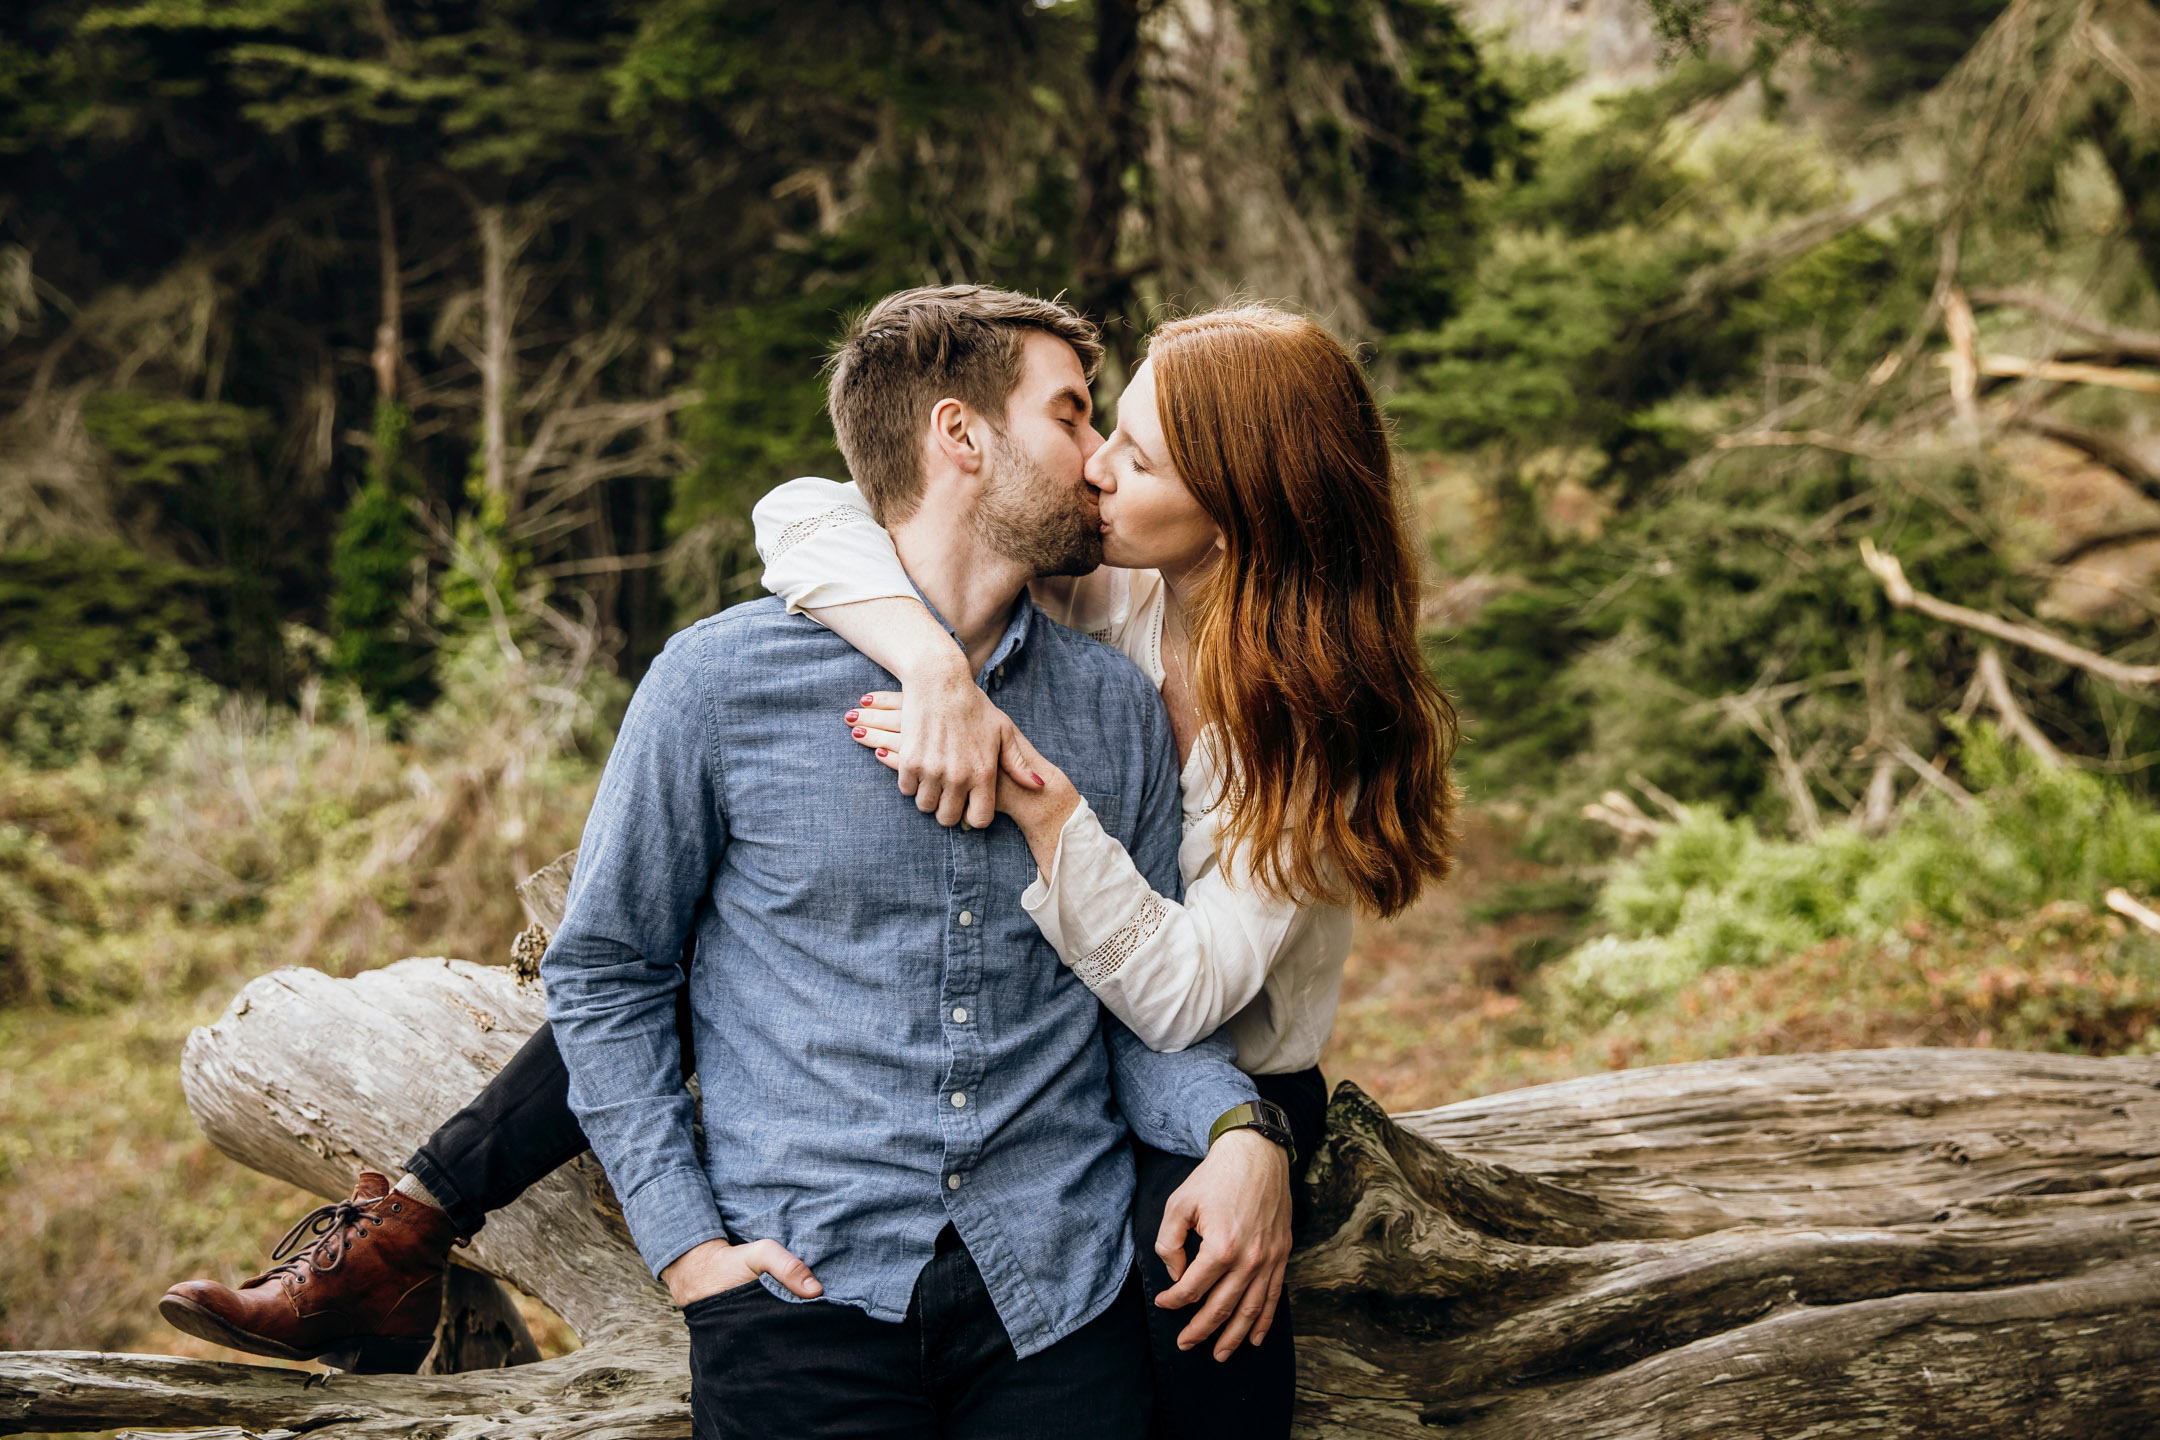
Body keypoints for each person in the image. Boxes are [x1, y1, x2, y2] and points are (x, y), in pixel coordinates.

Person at [158, 286, 1297, 1440]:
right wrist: (690, 1250)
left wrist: (1240, 1131)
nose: (1099, 459)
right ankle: (403, 1230)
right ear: (960, 435)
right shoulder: (718, 684)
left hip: (1057, 1301)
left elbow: (1141, 1013)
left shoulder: (1112, 707)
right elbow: (608, 976)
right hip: (799, 1299)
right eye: (1073, 416)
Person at [747, 302, 1460, 1437]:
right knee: (684, 948)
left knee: (1198, 1312)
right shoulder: (1106, 583)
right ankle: (431, 1206)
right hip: (1058, 1037)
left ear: (1239, 510)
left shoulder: (1312, 726)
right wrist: (933, 668)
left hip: (1220, 1068)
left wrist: (1047, 805)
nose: (1095, 466)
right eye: (1103, 427)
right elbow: (805, 511)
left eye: (1137, 454)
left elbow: (1185, 997)